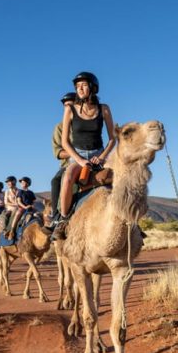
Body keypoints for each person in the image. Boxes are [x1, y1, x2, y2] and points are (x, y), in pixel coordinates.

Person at [53, 71, 116, 239]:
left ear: (93, 87)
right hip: (78, 155)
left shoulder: (104, 109)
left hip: (98, 153)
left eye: (83, 85)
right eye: (77, 86)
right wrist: (80, 160)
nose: (80, 89)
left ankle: (130, 221)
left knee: (118, 178)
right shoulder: (70, 109)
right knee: (67, 178)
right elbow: (65, 142)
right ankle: (63, 220)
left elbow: (112, 139)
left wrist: (102, 156)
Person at [50, 91, 76, 222]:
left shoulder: (85, 124)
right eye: (66, 106)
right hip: (69, 164)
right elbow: (58, 152)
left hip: (91, 159)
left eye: (71, 105)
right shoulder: (59, 128)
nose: (69, 108)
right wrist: (76, 154)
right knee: (55, 181)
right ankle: (56, 218)